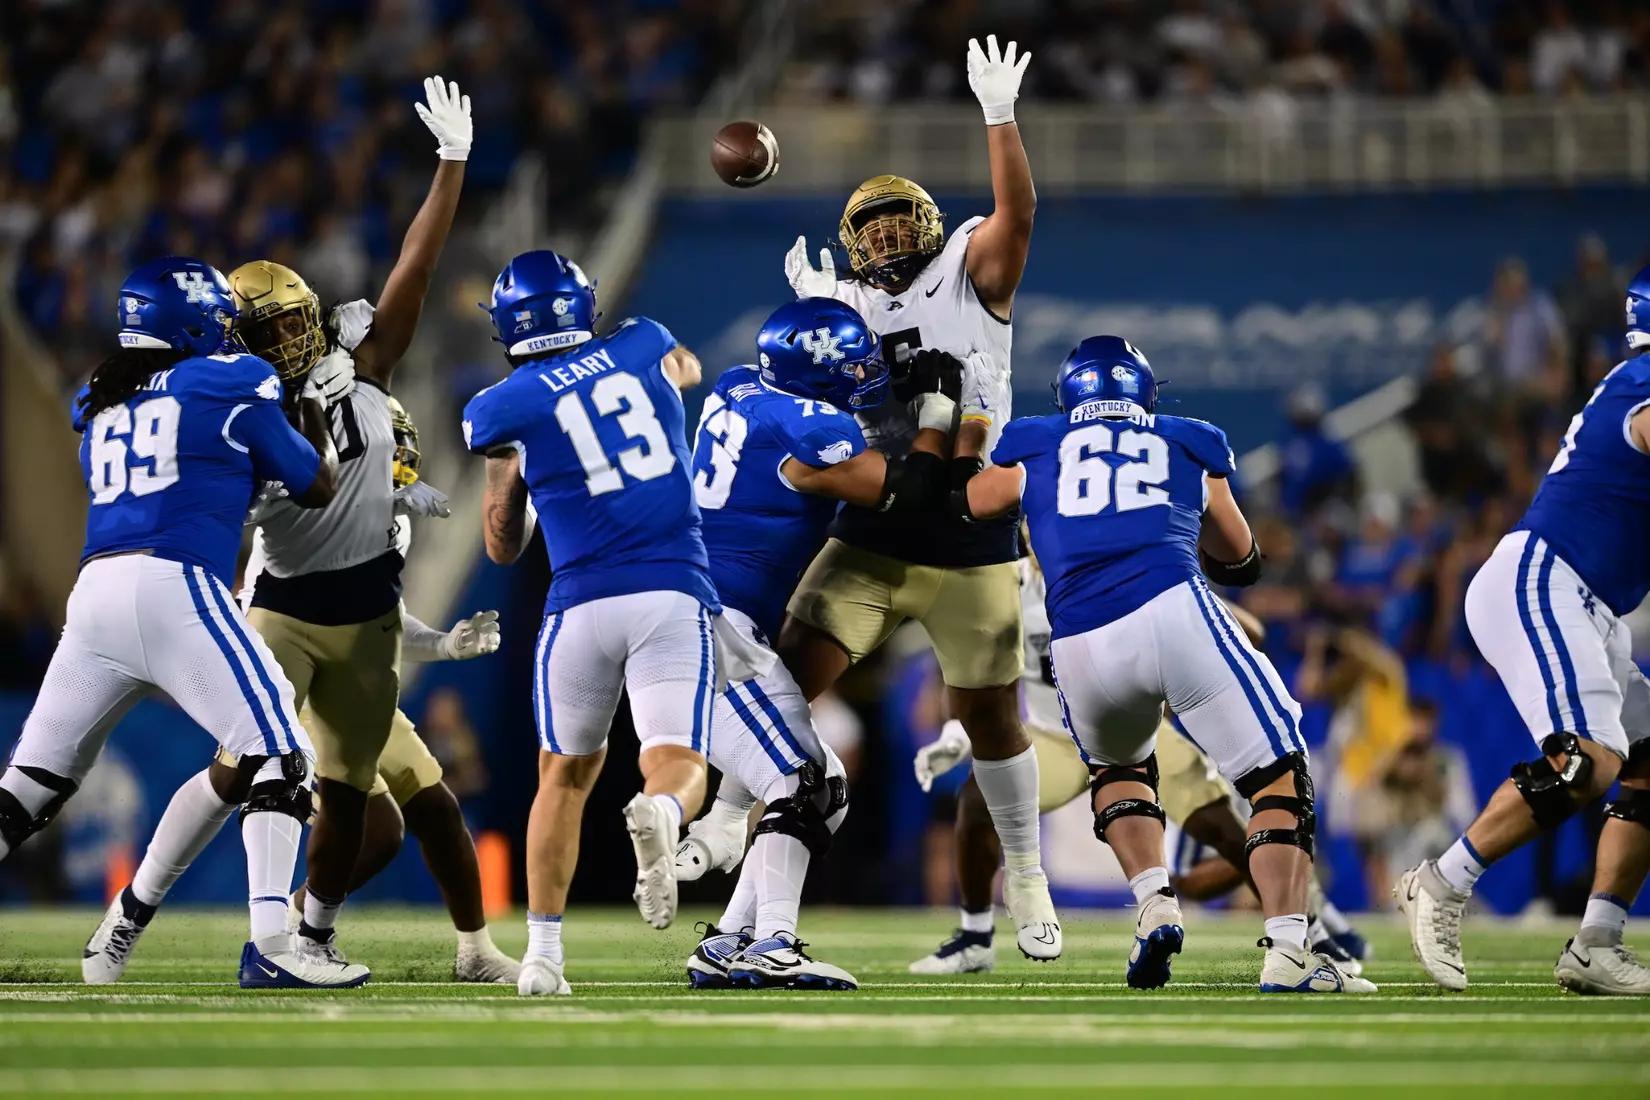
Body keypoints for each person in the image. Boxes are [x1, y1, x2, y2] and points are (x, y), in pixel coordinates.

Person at [83, 76, 475, 986]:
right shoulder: (231, 396)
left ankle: (307, 935)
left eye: (298, 322)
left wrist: (451, 165)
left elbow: (413, 272)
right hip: (280, 606)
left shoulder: (359, 364)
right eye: (270, 330)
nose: (293, 340)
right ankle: (138, 916)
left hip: (363, 614)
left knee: (365, 812)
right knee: (243, 772)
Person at [948, 335, 1375, 993]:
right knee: (1277, 778)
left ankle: (1154, 903)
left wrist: (973, 429)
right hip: (1173, 607)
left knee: (1119, 771)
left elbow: (966, 506)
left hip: (1079, 641)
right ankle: (1291, 951)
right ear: (1144, 392)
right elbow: (1241, 559)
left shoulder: (1032, 442)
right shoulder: (1187, 438)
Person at [780, 35, 1060, 962]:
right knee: (783, 683)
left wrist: (999, 116)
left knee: (994, 720)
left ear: (933, 227)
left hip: (969, 518)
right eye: (873, 230)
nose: (890, 240)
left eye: (902, 223)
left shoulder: (969, 272)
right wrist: (814, 321)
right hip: (879, 520)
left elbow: (1018, 215)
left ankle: (1026, 874)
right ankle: (740, 849)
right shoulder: (845, 305)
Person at [8, 257, 358, 987]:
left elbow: (192, 460)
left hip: (94, 598)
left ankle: (127, 928)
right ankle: (273, 946)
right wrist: (314, 401)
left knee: (26, 791)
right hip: (175, 588)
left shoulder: (98, 397)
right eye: (222, 318)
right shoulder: (233, 380)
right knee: (281, 758)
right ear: (196, 321)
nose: (232, 330)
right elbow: (316, 483)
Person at [675, 297, 961, 991]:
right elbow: (911, 492)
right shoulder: (807, 434)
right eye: (851, 362)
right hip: (708, 629)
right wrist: (935, 417)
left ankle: (731, 941)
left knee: (822, 787)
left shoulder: (740, 385)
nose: (864, 372)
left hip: (709, 623)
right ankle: (773, 944)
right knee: (802, 781)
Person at [463, 250, 717, 997]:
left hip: (578, 606)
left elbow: (502, 544)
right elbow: (685, 365)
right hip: (670, 590)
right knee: (676, 761)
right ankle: (662, 813)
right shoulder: (643, 340)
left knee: (562, 779)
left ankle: (543, 957)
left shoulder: (501, 406)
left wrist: (521, 471)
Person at [1397, 265, 1650, 997]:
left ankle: (1596, 941)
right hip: (1545, 579)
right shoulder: (1642, 383)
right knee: (1586, 762)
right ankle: (1441, 882)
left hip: (1588, 602)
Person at [910, 575, 1370, 976]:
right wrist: (958, 732)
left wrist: (1197, 605)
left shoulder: (1104, 564)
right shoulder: (1009, 584)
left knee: (1224, 830)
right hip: (1055, 736)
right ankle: (975, 936)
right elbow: (986, 677)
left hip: (1131, 727)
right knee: (977, 800)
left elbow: (1247, 630)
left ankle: (1308, 934)